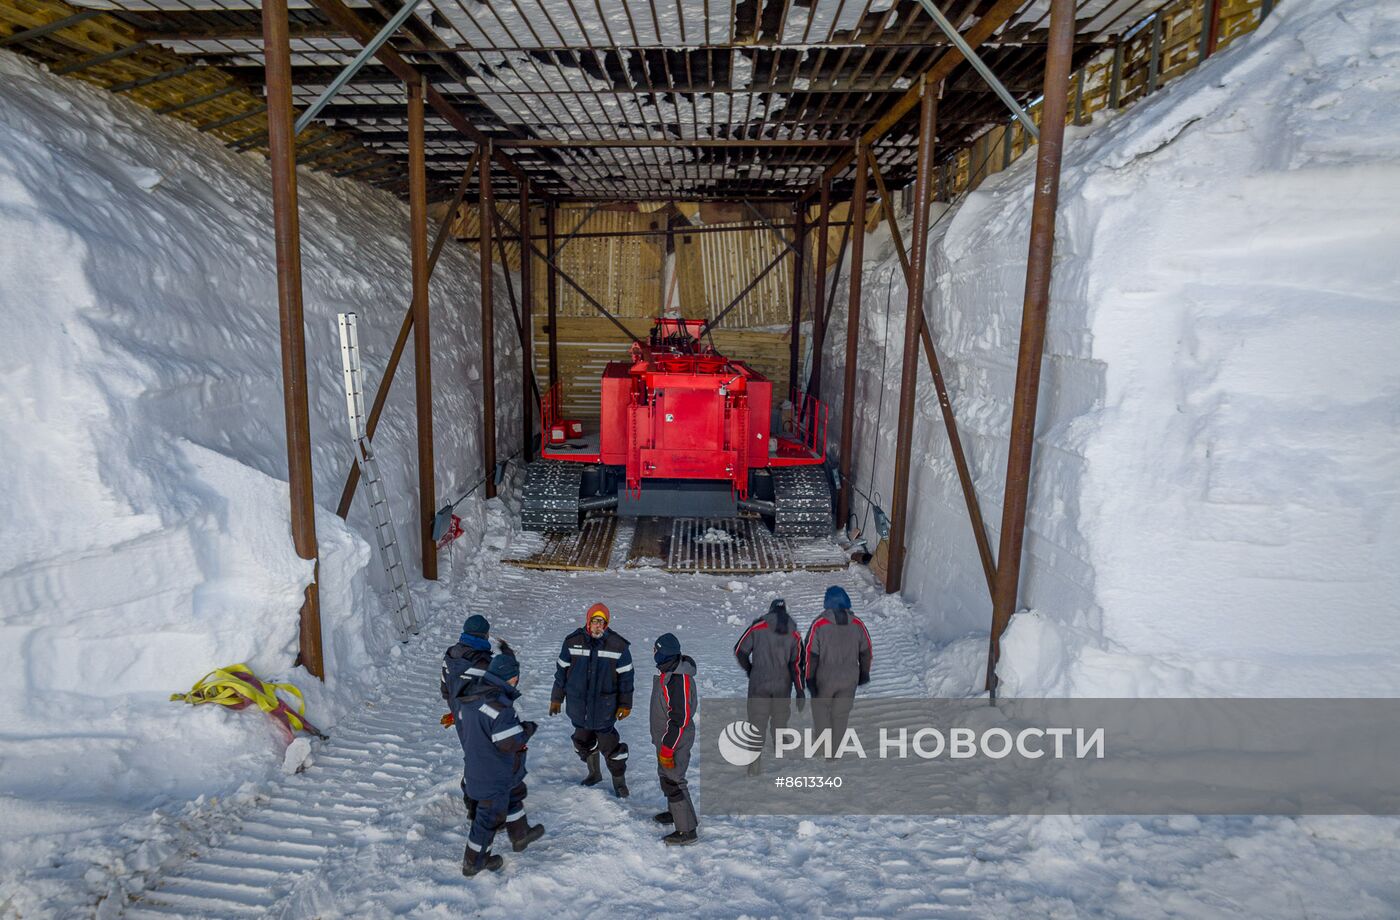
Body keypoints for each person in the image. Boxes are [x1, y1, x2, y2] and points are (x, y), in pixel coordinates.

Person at [456, 652, 545, 877]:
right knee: (488, 819)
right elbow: (510, 742)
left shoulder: (473, 698)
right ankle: (474, 862)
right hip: (492, 776)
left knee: (514, 792)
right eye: (516, 678)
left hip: (479, 767)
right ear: (511, 678)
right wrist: (526, 730)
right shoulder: (500, 708)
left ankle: (520, 834)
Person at [550, 602, 634, 797]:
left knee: (612, 749)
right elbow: (561, 672)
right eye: (595, 621)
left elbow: (627, 678)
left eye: (602, 622)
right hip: (579, 707)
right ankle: (594, 774)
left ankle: (619, 783)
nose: (598, 626)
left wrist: (625, 704)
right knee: (582, 742)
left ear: (606, 624)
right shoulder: (572, 642)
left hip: (605, 708)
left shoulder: (618, 646)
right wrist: (556, 697)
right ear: (588, 621)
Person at [733, 598, 805, 774]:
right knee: (780, 714)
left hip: (759, 683)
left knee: (757, 719)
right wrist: (800, 691)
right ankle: (779, 742)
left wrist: (750, 669)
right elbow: (797, 664)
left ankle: (755, 760)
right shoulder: (794, 633)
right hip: (783, 684)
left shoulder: (758, 627)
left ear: (771, 611)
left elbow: (739, 651)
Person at [440, 614, 499, 815]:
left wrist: (455, 710)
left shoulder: (449, 656)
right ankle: (477, 803)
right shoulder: (485, 662)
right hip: (481, 719)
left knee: (473, 755)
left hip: (461, 717)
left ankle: (473, 800)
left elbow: (445, 690)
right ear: (484, 635)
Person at [803, 586, 872, 754]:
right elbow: (866, 650)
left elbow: (810, 653)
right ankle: (834, 750)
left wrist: (809, 678)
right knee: (841, 713)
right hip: (849, 678)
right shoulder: (857, 623)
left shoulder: (819, 623)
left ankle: (822, 745)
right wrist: (864, 673)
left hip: (824, 678)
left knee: (821, 710)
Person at [650, 632, 699, 845]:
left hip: (675, 739)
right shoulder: (669, 672)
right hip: (666, 737)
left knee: (674, 781)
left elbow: (680, 719)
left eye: (655, 649)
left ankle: (687, 830)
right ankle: (676, 814)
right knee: (666, 775)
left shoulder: (678, 680)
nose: (653, 652)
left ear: (663, 653)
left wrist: (668, 748)